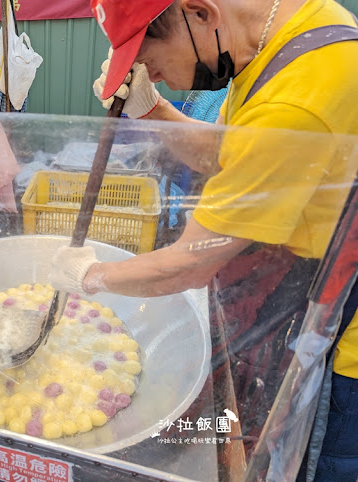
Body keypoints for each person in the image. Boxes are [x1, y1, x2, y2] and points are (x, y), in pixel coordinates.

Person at [49, 0, 358, 479]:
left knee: (307, 466)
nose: (157, 74)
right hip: (292, 289)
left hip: (336, 337)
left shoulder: (298, 97)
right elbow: (232, 154)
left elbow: (190, 263)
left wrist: (88, 276)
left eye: (153, 60)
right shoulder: (292, 30)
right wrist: (152, 108)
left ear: (200, 13)